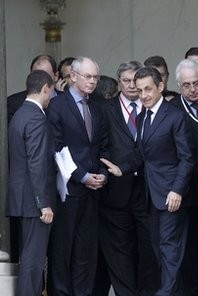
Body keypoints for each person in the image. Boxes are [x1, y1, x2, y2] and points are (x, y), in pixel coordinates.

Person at [101, 66, 194, 296]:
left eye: (148, 89)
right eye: (140, 90)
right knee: (158, 248)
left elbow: (187, 158)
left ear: (161, 87)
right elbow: (142, 155)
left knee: (169, 248)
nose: (143, 94)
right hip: (150, 196)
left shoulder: (175, 116)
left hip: (171, 195)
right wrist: (121, 169)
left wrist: (177, 190)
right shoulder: (143, 115)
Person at [93, 61, 159, 296]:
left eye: (135, 81)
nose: (132, 86)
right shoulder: (104, 109)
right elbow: (100, 145)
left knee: (149, 248)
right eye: (126, 81)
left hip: (149, 190)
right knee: (119, 252)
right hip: (115, 191)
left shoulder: (153, 106)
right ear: (118, 81)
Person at [46, 56, 109, 296]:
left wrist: (102, 173)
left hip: (94, 190)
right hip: (68, 189)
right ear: (73, 76)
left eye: (96, 77)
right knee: (63, 249)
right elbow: (56, 147)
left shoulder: (98, 106)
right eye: (88, 77)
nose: (93, 82)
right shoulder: (58, 106)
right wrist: (82, 176)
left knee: (86, 250)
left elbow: (103, 145)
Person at [7, 70, 56, 296]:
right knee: (33, 260)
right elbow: (37, 163)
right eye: (51, 90)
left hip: (22, 197)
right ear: (46, 87)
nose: (51, 95)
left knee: (29, 255)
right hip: (33, 200)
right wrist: (43, 203)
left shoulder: (20, 114)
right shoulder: (36, 117)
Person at [170, 58, 198, 296]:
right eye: (186, 85)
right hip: (191, 191)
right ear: (179, 86)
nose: (192, 89)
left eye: (196, 83)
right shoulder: (174, 110)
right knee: (194, 252)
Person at [7, 54, 59, 124]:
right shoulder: (13, 103)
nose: (40, 79)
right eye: (36, 74)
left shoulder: (66, 101)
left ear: (56, 76)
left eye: (45, 75)